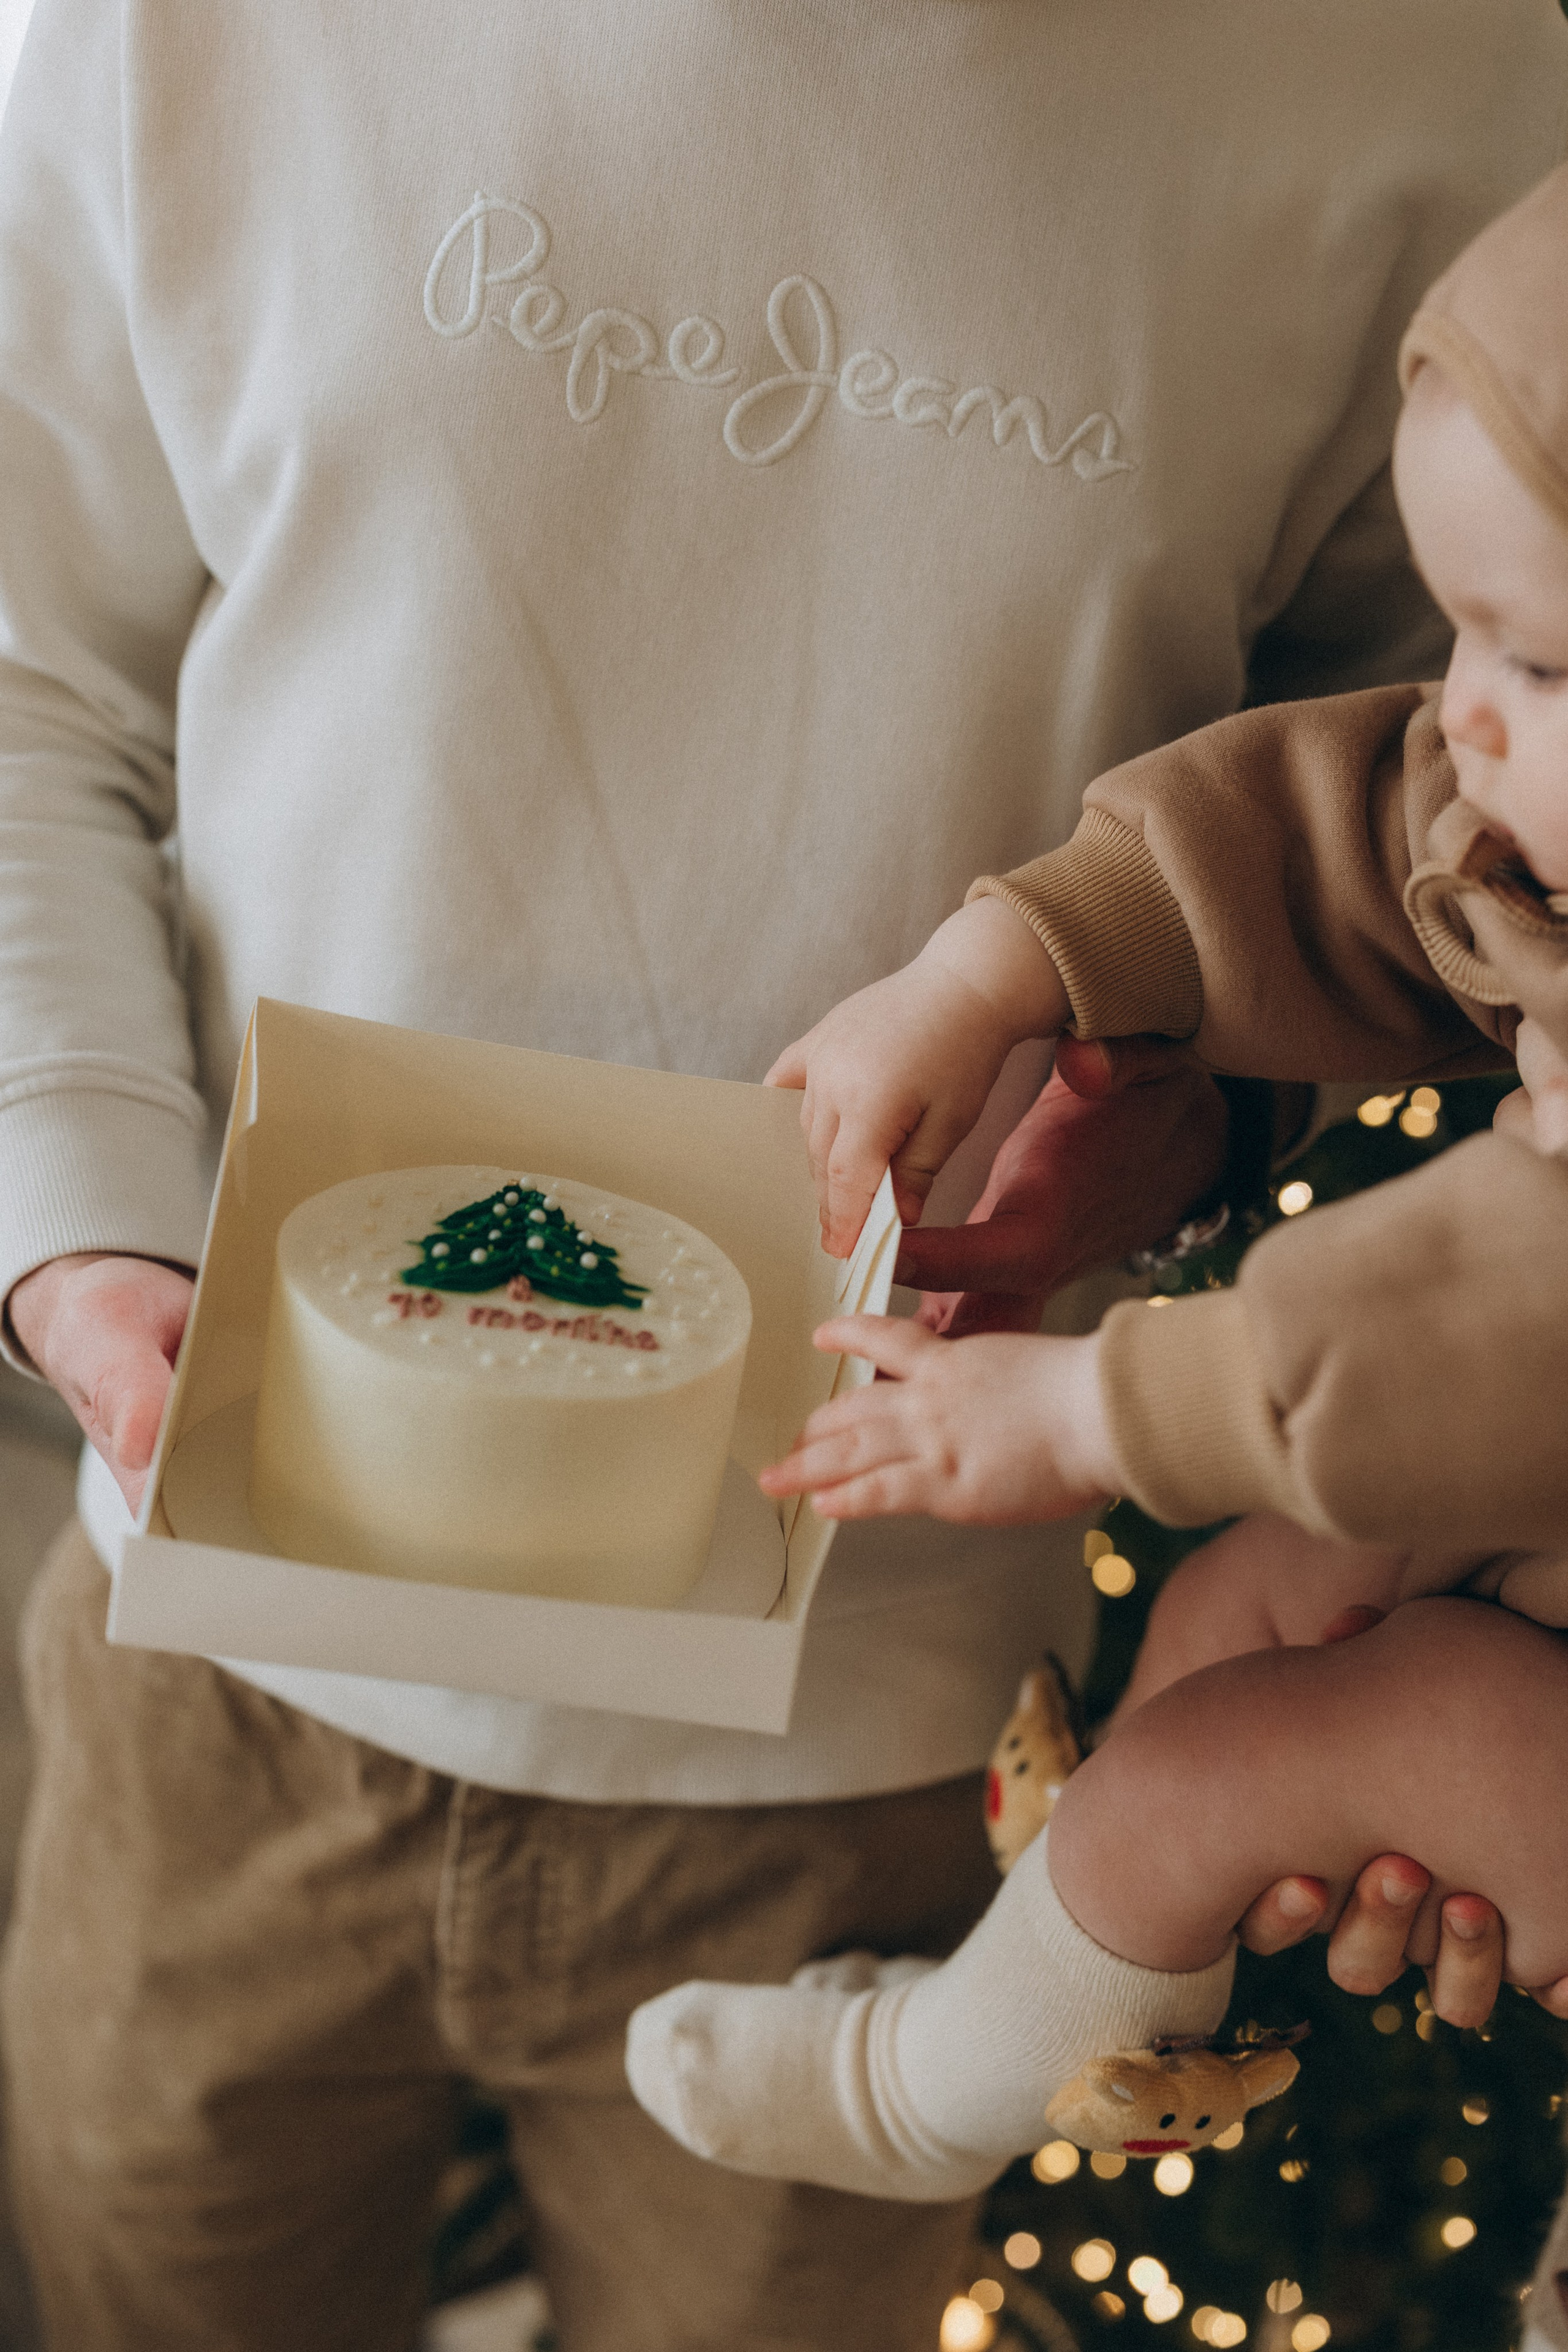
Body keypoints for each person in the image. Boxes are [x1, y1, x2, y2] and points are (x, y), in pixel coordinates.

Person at [1, 2, 1564, 2346]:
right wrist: (72, 1235)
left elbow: (1426, 872)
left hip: (885, 1725)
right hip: (212, 1672)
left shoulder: (1461, 80)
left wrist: (1189, 1121)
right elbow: (34, 679)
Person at [622, 162, 1568, 2349]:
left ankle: (921, 2091)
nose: (1475, 711)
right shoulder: (1518, 788)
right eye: (1465, 627)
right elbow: (1360, 830)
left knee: (1237, 1761)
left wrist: (1094, 1401)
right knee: (1253, 1619)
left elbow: (1535, 1299)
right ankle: (1086, 1951)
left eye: (1534, 651)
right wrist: (1005, 967)